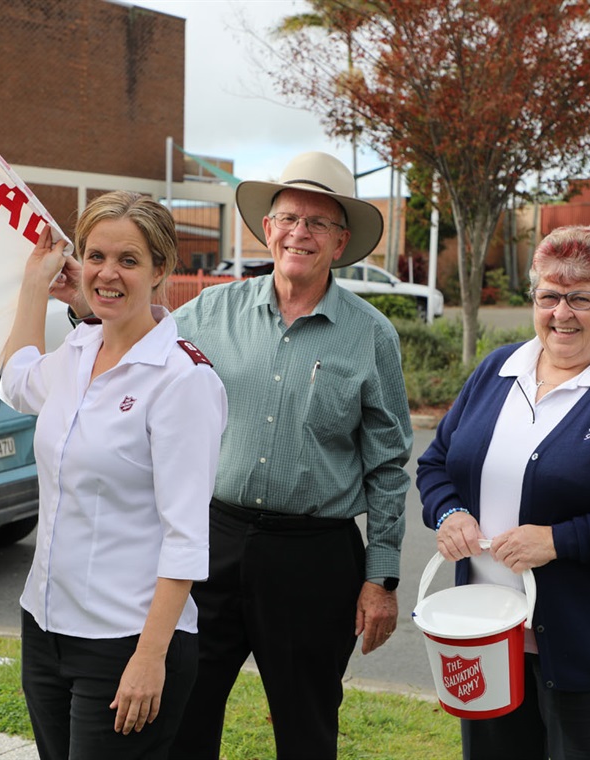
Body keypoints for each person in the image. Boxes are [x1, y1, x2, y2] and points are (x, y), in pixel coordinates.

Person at [417, 225, 590, 760]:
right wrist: (450, 512)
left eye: (580, 297)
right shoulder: (498, 371)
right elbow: (436, 463)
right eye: (549, 296)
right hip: (491, 638)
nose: (561, 313)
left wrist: (559, 541)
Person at [167, 151, 412, 759]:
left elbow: (387, 465)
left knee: (306, 730)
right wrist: (78, 304)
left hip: (314, 559)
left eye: (317, 223)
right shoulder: (206, 313)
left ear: (340, 241)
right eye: (289, 218)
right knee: (183, 713)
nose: (300, 232)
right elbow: (134, 355)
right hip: (212, 545)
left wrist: (380, 580)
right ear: (267, 227)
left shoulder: (371, 335)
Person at [0, 191, 227, 760]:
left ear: (161, 270)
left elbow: (186, 537)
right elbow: (16, 380)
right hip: (45, 627)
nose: (108, 273)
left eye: (128, 260)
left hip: (126, 642)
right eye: (96, 256)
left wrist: (151, 657)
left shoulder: (181, 379)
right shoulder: (78, 349)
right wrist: (35, 287)